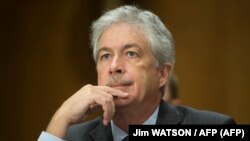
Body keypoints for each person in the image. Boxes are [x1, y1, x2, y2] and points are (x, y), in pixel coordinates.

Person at [38, 5, 236, 141]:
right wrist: (60, 119)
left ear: (162, 74)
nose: (114, 66)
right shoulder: (71, 137)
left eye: (131, 53)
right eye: (105, 56)